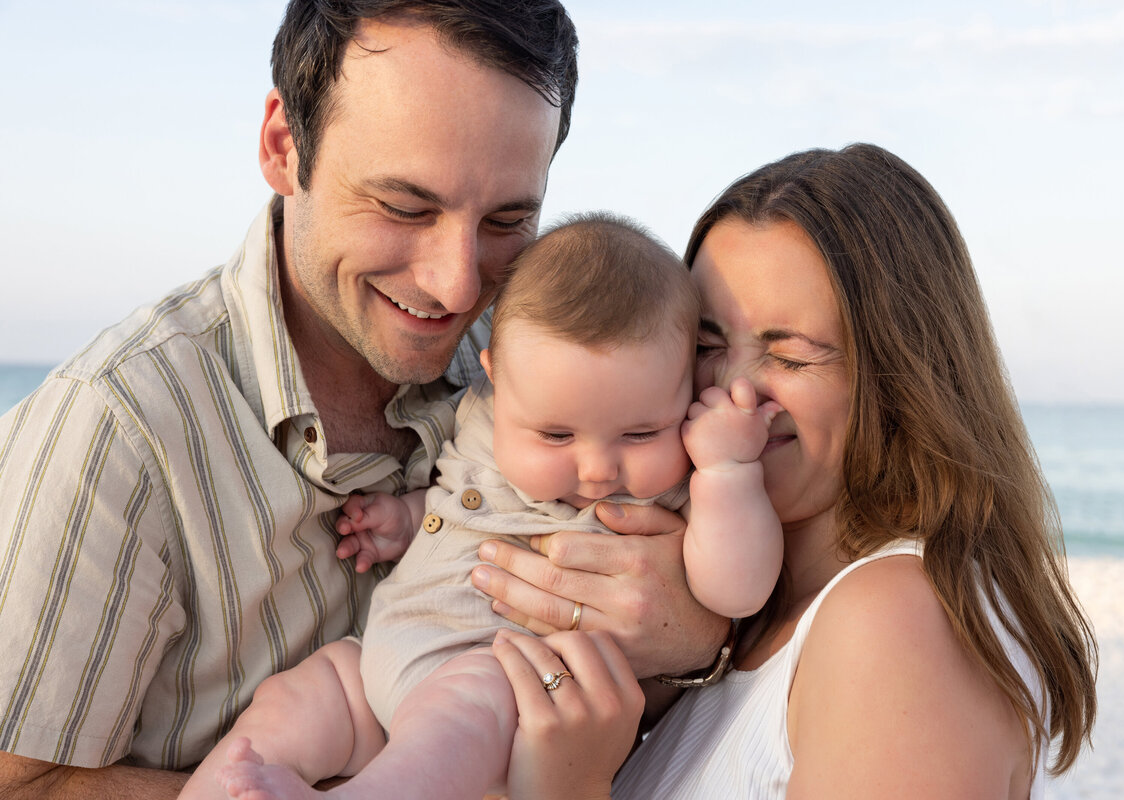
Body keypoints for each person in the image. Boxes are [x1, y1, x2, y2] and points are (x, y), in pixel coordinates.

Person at [0, 3, 726, 797]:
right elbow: (21, 783)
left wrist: (695, 636)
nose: (457, 283)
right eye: (405, 207)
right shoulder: (117, 430)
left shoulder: (540, 361)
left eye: (508, 219)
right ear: (284, 147)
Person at [482, 143, 1100, 798]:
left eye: (792, 357)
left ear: (900, 377)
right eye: (706, 345)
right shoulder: (737, 627)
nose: (735, 390)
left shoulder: (896, 622)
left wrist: (566, 787)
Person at [179, 212, 783, 799]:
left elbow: (737, 590)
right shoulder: (481, 418)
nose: (598, 468)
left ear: (686, 391)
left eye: (640, 433)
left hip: (508, 695)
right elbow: (461, 499)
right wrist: (408, 520)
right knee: (291, 702)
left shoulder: (683, 480)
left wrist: (731, 472)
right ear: (496, 378)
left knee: (468, 701)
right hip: (380, 661)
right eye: (556, 436)